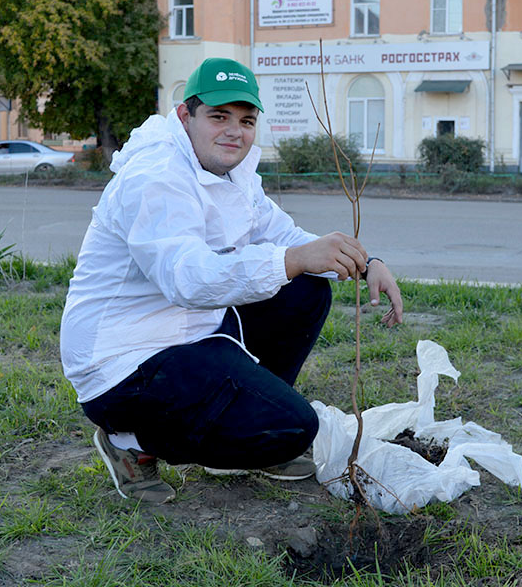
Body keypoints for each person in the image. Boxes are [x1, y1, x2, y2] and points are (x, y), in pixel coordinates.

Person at [60, 57, 403, 504]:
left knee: (305, 288)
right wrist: (295, 258)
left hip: (191, 335)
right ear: (186, 116)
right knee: (297, 428)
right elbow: (186, 278)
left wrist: (363, 260)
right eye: (218, 116)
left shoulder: (233, 174)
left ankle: (248, 428)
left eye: (245, 120)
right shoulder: (154, 177)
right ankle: (130, 445)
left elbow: (283, 236)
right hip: (123, 365)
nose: (233, 131)